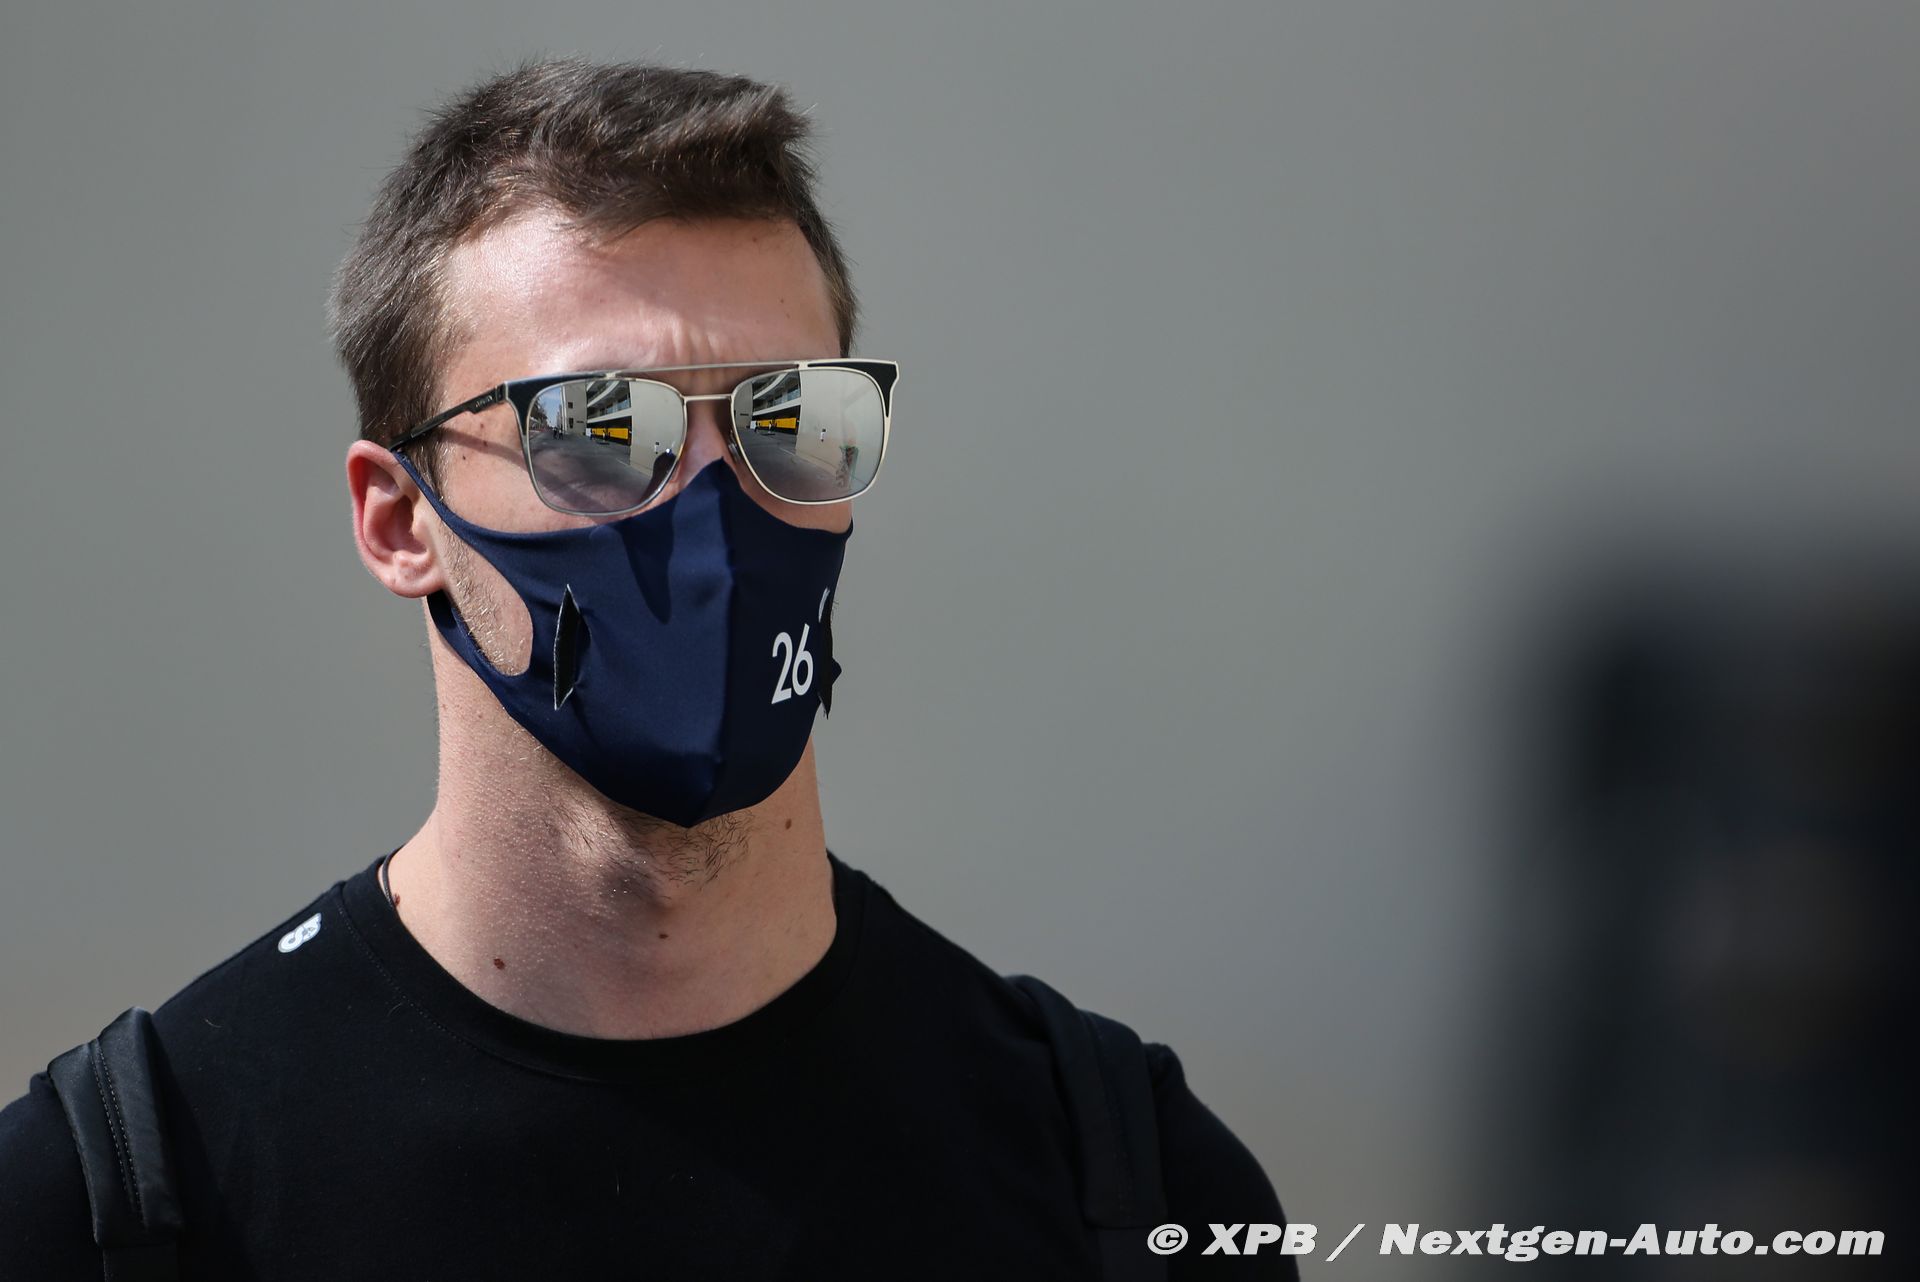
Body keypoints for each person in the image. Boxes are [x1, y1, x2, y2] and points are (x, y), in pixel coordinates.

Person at [0, 58, 1294, 1279]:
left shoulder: (1127, 1182)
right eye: (602, 428)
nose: (718, 513)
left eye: (795, 416)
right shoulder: (110, 1208)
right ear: (400, 521)